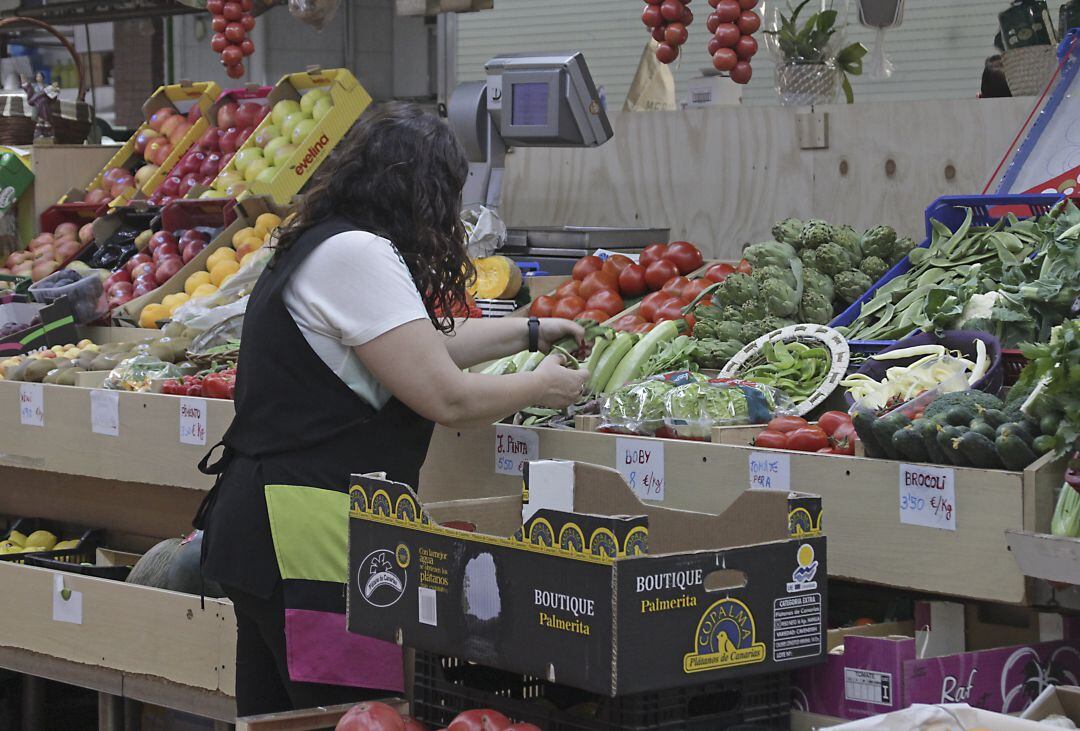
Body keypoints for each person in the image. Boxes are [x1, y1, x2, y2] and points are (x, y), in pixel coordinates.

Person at [194, 103, 589, 716]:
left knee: (283, 720)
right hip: (307, 534)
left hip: (265, 523)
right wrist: (540, 386)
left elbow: (414, 346)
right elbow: (447, 396)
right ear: (424, 192)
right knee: (353, 716)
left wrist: (529, 332)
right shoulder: (357, 254)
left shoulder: (328, 242)